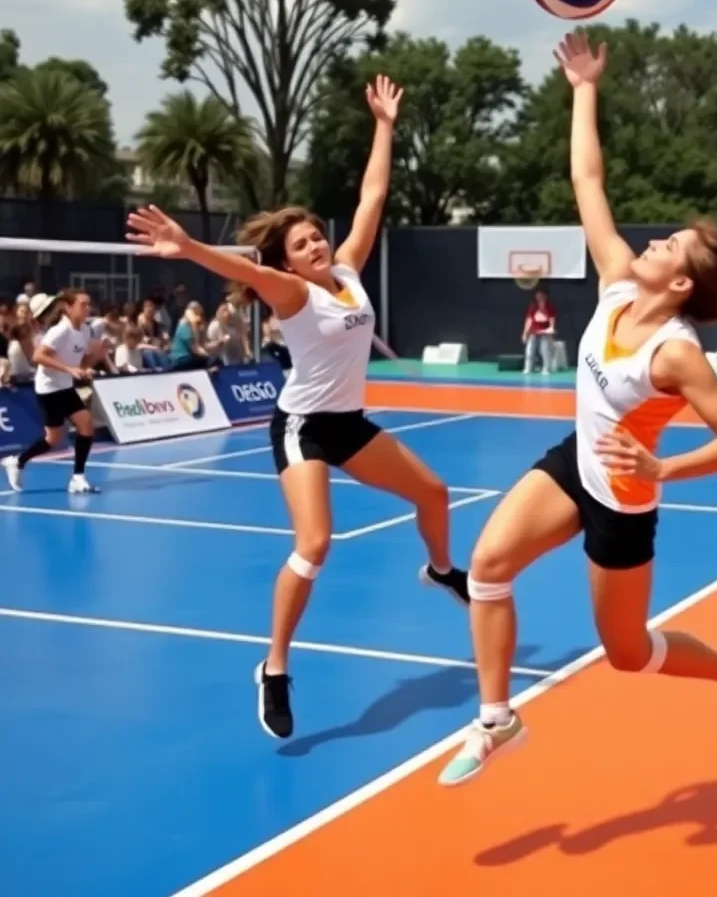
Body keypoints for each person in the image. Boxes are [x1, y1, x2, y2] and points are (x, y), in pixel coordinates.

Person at [438, 32, 717, 786]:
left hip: (626, 498)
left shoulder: (676, 354)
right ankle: (498, 721)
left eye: (670, 245)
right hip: (575, 465)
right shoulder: (619, 281)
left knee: (628, 653)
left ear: (682, 284)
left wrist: (665, 465)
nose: (654, 242)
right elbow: (587, 179)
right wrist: (584, 87)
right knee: (488, 565)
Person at [124, 75, 470, 740]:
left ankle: (441, 570)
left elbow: (372, 195)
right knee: (314, 543)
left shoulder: (344, 273)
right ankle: (276, 668)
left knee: (434, 493)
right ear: (286, 260)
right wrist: (188, 247)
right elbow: (247, 271)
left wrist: (385, 126)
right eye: (302, 244)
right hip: (304, 428)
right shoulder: (292, 293)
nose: (315, 246)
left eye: (317, 237)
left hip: (348, 424)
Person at [2, 289, 102, 494]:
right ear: (68, 307)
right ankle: (18, 461)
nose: (88, 308)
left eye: (89, 304)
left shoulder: (84, 330)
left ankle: (76, 477)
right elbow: (39, 356)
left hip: (65, 386)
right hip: (48, 389)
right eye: (83, 304)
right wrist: (69, 370)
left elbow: (80, 360)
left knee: (78, 428)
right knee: (58, 437)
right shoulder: (60, 330)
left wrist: (88, 365)